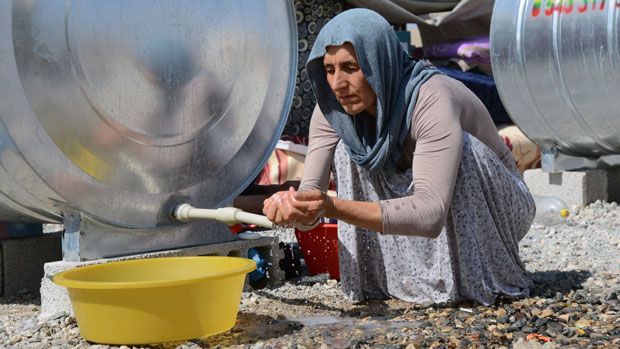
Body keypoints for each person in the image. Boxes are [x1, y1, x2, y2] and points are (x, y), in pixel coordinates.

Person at [262, 8, 535, 305]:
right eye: (329, 70)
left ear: (379, 62)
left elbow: (430, 214)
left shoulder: (431, 99)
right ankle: (383, 283)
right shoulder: (332, 111)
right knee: (349, 150)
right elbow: (310, 201)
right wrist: (292, 209)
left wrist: (332, 206)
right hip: (427, 205)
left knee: (465, 150)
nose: (339, 84)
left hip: (503, 210)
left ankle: (477, 282)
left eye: (351, 67)